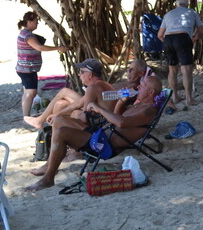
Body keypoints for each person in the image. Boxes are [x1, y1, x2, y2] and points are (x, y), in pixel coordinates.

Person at [24, 74, 163, 192]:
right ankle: (49, 165)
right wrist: (122, 100)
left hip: (105, 145)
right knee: (59, 120)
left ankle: (48, 178)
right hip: (101, 135)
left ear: (151, 92)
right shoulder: (139, 105)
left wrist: (98, 108)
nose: (138, 87)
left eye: (143, 85)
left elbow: (121, 123)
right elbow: (118, 116)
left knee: (61, 132)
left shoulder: (149, 111)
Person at [23, 58, 117, 129]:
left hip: (101, 123)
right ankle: (52, 131)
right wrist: (57, 114)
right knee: (61, 103)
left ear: (90, 75)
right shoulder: (102, 84)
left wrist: (66, 117)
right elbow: (78, 103)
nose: (79, 74)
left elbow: (85, 117)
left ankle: (56, 134)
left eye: (82, 72)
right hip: (101, 117)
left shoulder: (93, 88)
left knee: (74, 112)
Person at [16, 11, 67, 118]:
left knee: (27, 93)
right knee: (31, 93)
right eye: (35, 21)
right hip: (27, 69)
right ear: (29, 22)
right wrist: (58, 48)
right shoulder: (28, 36)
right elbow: (40, 47)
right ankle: (26, 116)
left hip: (24, 68)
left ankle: (26, 115)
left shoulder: (25, 33)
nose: (37, 23)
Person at [157, 0, 203, 108]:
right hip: (182, 37)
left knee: (172, 69)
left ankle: (175, 97)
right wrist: (193, 39)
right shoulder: (192, 12)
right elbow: (202, 31)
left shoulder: (168, 15)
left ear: (176, 5)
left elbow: (159, 35)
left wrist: (168, 43)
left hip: (168, 39)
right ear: (187, 5)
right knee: (186, 70)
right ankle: (189, 99)